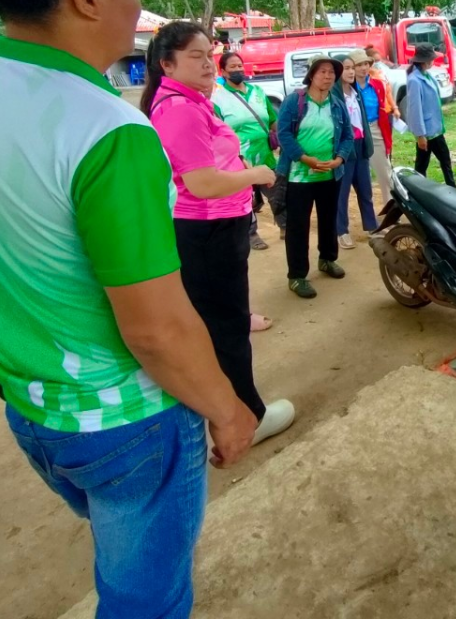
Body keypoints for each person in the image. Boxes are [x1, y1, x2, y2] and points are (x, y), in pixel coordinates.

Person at [0, 0, 257, 618]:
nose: (140, 9)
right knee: (146, 602)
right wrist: (227, 411)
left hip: (30, 407)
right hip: (125, 420)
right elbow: (156, 328)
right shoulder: (107, 130)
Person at [143, 22, 295, 444]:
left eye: (209, 53)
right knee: (226, 330)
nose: (208, 63)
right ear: (166, 63)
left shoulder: (188, 100)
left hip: (214, 226)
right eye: (196, 55)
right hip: (207, 229)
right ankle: (248, 417)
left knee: (221, 322)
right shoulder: (180, 108)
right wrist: (255, 174)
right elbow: (202, 182)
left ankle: (226, 410)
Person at [277, 55, 354, 299]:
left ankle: (327, 259)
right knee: (298, 226)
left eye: (332, 72)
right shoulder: (295, 102)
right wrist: (305, 159)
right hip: (299, 176)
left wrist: (340, 158)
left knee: (328, 219)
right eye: (322, 72)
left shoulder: (336, 103)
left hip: (331, 174)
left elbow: (348, 137)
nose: (328, 76)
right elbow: (284, 135)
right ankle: (297, 276)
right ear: (311, 75)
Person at [212, 51, 284, 249]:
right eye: (233, 67)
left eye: (240, 66)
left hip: (265, 154)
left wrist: (284, 138)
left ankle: (285, 226)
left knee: (276, 191)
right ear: (223, 71)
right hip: (239, 158)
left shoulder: (258, 92)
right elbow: (218, 131)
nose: (238, 70)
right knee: (246, 196)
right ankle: (252, 234)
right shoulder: (218, 99)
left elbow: (272, 120)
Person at [336, 55, 381, 249]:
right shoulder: (334, 96)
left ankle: (372, 226)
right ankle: (341, 231)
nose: (351, 71)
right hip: (344, 151)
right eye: (346, 68)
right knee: (342, 193)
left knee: (365, 189)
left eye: (352, 67)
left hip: (361, 146)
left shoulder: (356, 93)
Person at [404, 42, 456, 187]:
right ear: (426, 60)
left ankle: (419, 188)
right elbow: (415, 109)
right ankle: (449, 188)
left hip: (434, 128)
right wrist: (420, 135)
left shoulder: (427, 75)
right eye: (432, 58)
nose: (434, 60)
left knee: (427, 164)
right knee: (435, 162)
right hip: (428, 132)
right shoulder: (414, 80)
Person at [350, 48, 395, 207]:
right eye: (359, 65)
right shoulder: (347, 87)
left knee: (385, 172)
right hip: (354, 132)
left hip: (374, 129)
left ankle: (390, 209)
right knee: (356, 177)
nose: (363, 68)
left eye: (366, 64)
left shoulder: (377, 85)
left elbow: (383, 111)